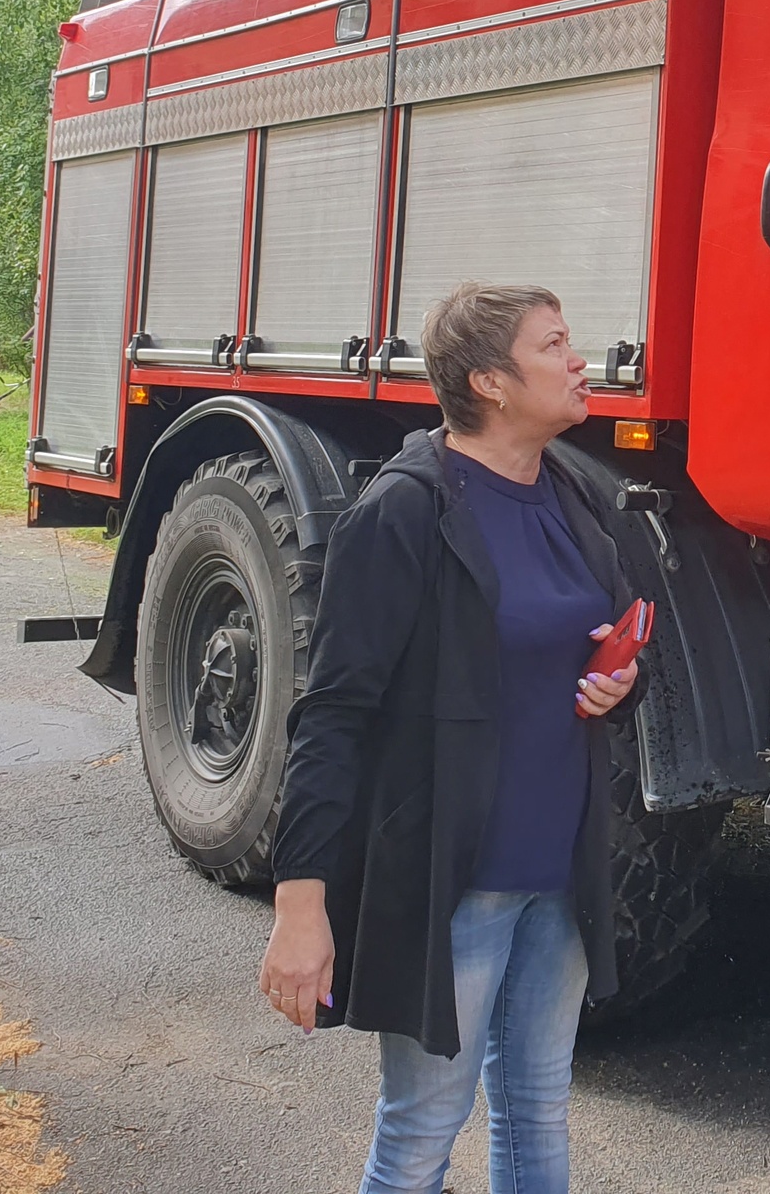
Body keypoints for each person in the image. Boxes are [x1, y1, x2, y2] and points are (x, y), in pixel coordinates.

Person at [259, 283, 645, 1194]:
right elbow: (333, 716)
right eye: (555, 346)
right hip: (454, 884)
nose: (579, 359)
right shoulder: (403, 511)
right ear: (492, 383)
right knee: (424, 1131)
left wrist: (614, 685)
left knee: (538, 1109)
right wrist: (300, 909)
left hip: (560, 875)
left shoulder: (572, 494)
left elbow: (579, 654)